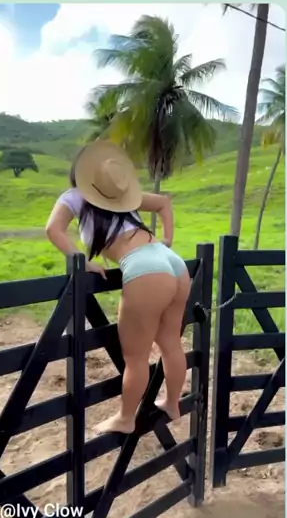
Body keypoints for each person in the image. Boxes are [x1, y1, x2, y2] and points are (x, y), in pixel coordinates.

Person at [45, 140, 190, 435]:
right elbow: (164, 203)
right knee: (171, 342)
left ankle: (126, 418)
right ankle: (172, 404)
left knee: (135, 357)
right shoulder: (126, 197)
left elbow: (53, 229)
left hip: (145, 268)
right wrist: (168, 239)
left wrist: (81, 260)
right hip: (172, 263)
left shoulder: (76, 195)